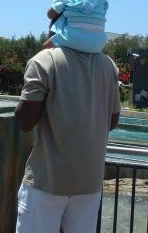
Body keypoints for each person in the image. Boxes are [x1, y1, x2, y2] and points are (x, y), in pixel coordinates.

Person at [14, 46, 121, 233]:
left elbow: (24, 122)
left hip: (47, 180)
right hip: (89, 183)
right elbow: (111, 121)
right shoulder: (108, 65)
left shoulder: (44, 60)